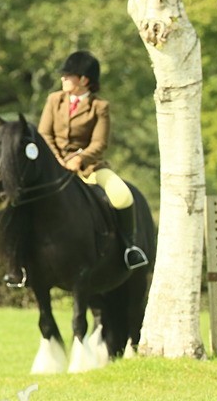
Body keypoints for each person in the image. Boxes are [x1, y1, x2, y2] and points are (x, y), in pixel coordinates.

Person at [36, 50, 149, 276]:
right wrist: (58, 160)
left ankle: (129, 247)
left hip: (89, 167)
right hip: (53, 166)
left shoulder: (100, 107)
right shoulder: (53, 100)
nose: (63, 79)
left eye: (68, 75)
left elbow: (99, 143)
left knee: (122, 195)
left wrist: (79, 159)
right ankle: (21, 261)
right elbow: (44, 134)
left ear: (84, 80)